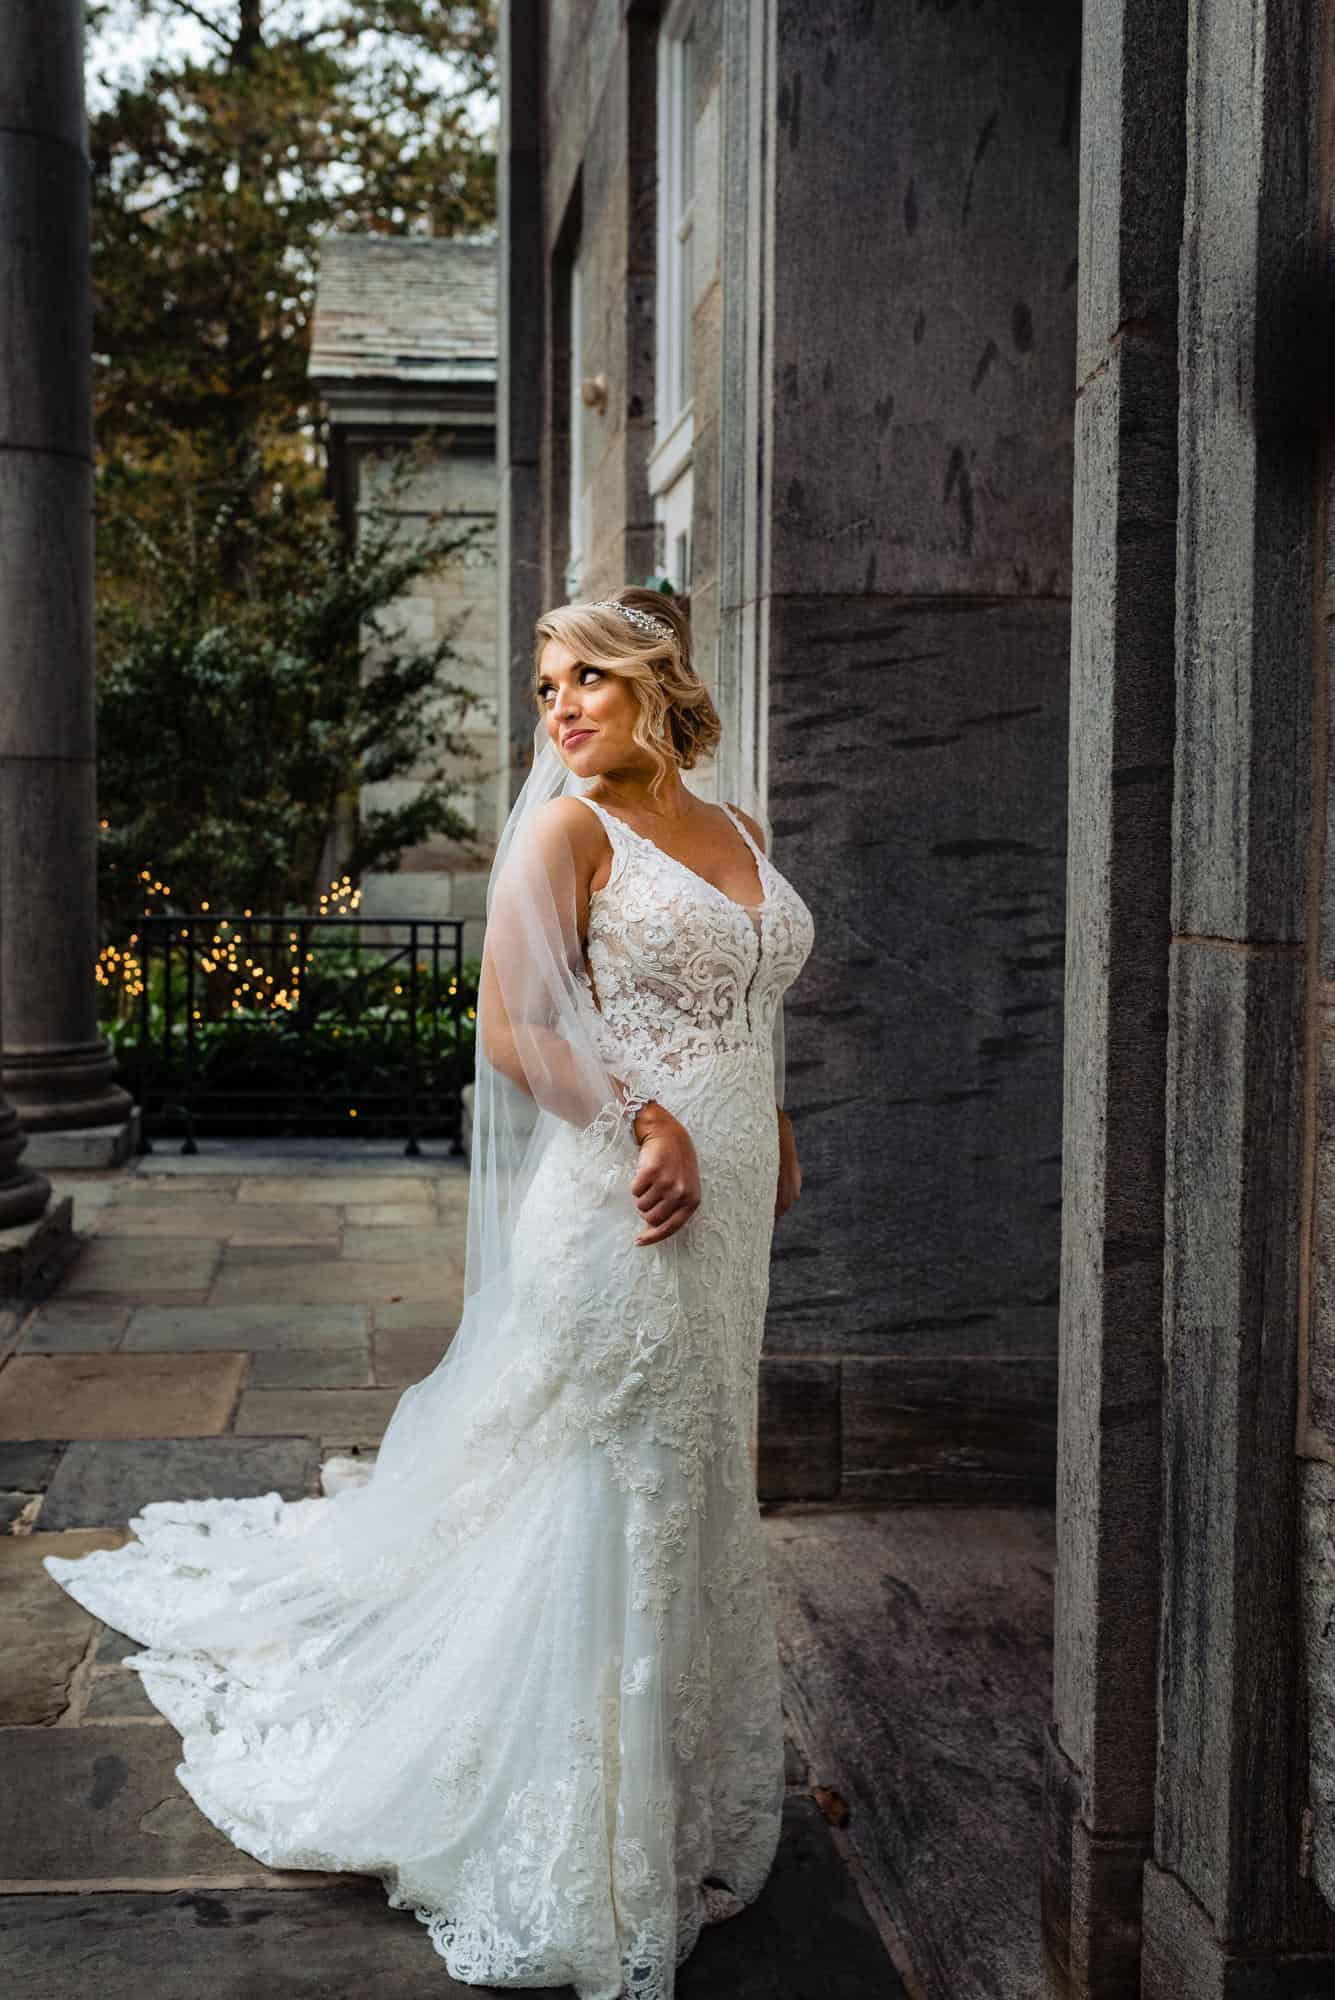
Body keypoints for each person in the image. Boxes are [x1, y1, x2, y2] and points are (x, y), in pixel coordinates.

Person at [42, 586, 814, 2000]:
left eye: (589, 677)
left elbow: (749, 1002)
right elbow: (514, 1024)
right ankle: (586, 1824)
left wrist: (771, 1129)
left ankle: (682, 1783)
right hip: (621, 1205)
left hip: (732, 1209)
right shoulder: (570, 827)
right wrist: (649, 1119)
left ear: (658, 682)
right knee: (614, 1480)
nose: (563, 707)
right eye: (545, 688)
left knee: (700, 1467)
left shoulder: (742, 830)